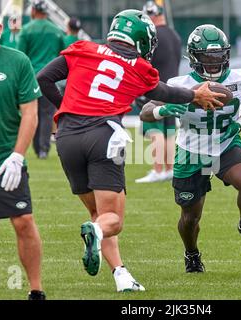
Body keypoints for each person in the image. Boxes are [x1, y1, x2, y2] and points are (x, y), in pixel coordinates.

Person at [37, 10, 224, 291]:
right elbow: (162, 92)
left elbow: (44, 78)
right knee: (111, 220)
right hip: (103, 136)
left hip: (67, 138)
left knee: (97, 213)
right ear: (141, 39)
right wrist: (195, 94)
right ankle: (97, 233)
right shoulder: (137, 65)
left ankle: (121, 276)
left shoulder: (83, 49)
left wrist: (66, 109)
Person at [140, 24, 241, 273]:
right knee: (190, 218)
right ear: (194, 57)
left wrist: (239, 125)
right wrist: (163, 109)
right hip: (191, 150)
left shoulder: (239, 78)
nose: (213, 63)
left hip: (225, 143)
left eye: (218, 56)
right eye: (207, 58)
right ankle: (192, 253)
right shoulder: (180, 84)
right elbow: (146, 112)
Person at [0, 22, 45, 300]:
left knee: (23, 220)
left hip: (6, 159)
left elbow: (30, 113)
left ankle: (36, 289)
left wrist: (17, 156)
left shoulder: (17, 61)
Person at [135, 0, 182, 183]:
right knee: (169, 130)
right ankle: (169, 169)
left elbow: (146, 63)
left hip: (156, 88)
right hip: (173, 88)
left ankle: (157, 170)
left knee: (154, 129)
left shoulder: (153, 35)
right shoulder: (175, 35)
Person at [18, 0, 64, 159]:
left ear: (33, 10)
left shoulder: (26, 30)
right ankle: (43, 149)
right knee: (47, 114)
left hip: (31, 78)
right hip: (51, 79)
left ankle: (37, 146)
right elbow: (61, 55)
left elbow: (21, 56)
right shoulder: (56, 30)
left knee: (32, 112)